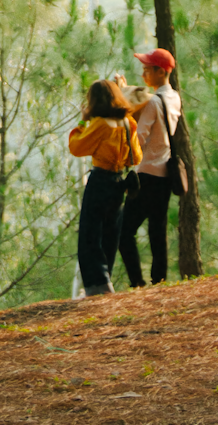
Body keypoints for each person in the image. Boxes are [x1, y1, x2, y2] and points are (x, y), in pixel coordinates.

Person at [68, 79, 142, 296]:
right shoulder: (129, 123)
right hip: (119, 184)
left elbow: (76, 147)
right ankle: (104, 281)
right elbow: (137, 155)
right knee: (111, 234)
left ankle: (96, 287)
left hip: (100, 181)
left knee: (91, 236)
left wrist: (82, 123)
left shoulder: (100, 125)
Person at [118, 47, 181, 288]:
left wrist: (122, 96)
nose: (143, 74)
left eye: (147, 70)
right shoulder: (173, 98)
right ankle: (159, 280)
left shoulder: (154, 102)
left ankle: (137, 282)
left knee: (124, 231)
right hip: (164, 173)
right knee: (157, 228)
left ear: (160, 72)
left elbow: (139, 137)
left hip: (147, 174)